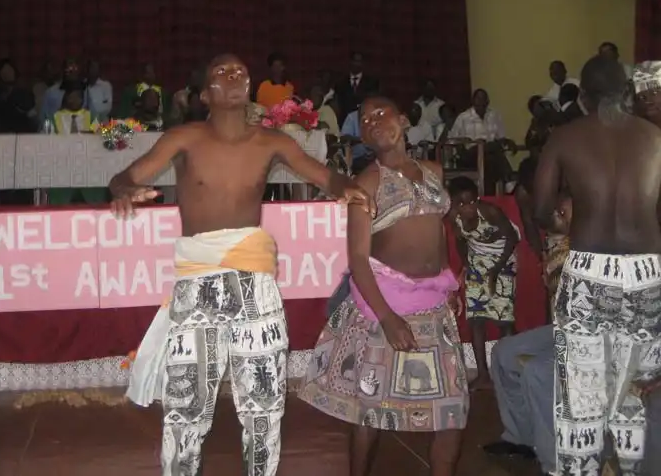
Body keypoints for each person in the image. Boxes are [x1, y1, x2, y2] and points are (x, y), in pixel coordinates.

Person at [113, 53, 373, 476]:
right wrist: (125, 189)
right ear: (204, 94)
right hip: (197, 283)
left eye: (240, 72)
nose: (234, 76)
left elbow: (323, 175)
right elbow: (126, 176)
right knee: (187, 404)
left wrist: (348, 187)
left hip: (255, 284)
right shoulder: (184, 137)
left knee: (265, 402)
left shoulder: (272, 141)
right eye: (222, 72)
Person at [299, 96, 467, 476]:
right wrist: (387, 318)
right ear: (363, 137)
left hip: (432, 306)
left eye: (381, 113)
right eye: (365, 120)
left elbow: (438, 235)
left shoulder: (433, 172)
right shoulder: (367, 183)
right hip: (385, 306)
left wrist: (448, 282)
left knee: (452, 410)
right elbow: (358, 259)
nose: (374, 121)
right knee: (371, 413)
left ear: (404, 119)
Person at [533, 54, 661, 476]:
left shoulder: (565, 138)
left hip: (590, 271)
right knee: (633, 392)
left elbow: (541, 210)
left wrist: (565, 215)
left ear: (583, 97)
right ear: (628, 93)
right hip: (648, 273)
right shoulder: (654, 137)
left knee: (582, 396)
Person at [483, 195, 571, 475]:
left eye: (564, 211)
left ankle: (554, 463)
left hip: (599, 336)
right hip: (565, 330)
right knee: (504, 351)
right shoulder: (561, 243)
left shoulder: (604, 246)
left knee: (539, 371)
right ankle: (521, 439)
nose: (557, 212)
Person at [449, 176, 520, 390]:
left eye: (471, 201)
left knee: (503, 320)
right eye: (461, 204)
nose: (468, 208)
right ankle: (483, 374)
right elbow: (461, 241)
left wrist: (496, 271)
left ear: (477, 199)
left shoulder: (489, 212)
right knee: (476, 320)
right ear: (453, 203)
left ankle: (512, 374)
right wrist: (466, 266)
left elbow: (512, 239)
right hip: (477, 264)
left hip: (502, 262)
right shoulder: (455, 218)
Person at [334, 51, 380, 125]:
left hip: (365, 122)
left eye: (358, 61)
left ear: (363, 63)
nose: (356, 64)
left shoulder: (372, 83)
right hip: (344, 123)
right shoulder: (341, 83)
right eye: (354, 61)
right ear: (350, 62)